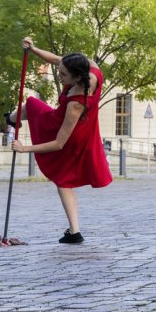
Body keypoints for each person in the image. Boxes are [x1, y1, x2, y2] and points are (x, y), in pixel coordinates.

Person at [10, 37, 112, 244]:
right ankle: (74, 232)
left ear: (76, 77)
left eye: (63, 75)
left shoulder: (76, 104)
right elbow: (56, 59)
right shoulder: (90, 67)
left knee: (31, 104)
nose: (59, 75)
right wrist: (33, 49)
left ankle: (11, 120)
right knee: (63, 180)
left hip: (69, 133)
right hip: (81, 128)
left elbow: (59, 144)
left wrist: (24, 148)